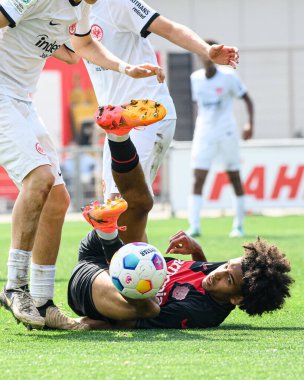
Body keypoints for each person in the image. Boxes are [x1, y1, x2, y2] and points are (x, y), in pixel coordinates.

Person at [0, 0, 164, 330]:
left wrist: (125, 68)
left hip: (21, 98)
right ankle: (15, 287)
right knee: (41, 178)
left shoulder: (81, 8)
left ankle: (43, 303)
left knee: (57, 200)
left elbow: (83, 45)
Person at [67, 106, 293, 330]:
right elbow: (210, 271)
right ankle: (119, 135)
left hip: (91, 284)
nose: (218, 273)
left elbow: (127, 321)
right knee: (142, 203)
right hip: (99, 254)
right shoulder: (224, 274)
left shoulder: (198, 314)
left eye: (229, 280)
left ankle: (109, 234)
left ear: (237, 300)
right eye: (226, 265)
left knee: (148, 308)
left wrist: (79, 325)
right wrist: (197, 251)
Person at [80, 0, 239, 244]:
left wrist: (206, 51)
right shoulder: (74, 14)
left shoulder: (118, 4)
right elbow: (70, 51)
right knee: (120, 208)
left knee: (125, 206)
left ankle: (129, 275)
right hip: (115, 124)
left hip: (147, 114)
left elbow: (170, 28)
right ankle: (142, 272)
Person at [187, 39, 254, 239]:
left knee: (234, 176)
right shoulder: (195, 78)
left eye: (209, 53)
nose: (205, 57)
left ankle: (239, 226)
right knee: (198, 177)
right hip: (204, 133)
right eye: (202, 53)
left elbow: (247, 99)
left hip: (226, 132)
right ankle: (194, 226)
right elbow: (197, 106)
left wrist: (250, 124)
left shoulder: (228, 76)